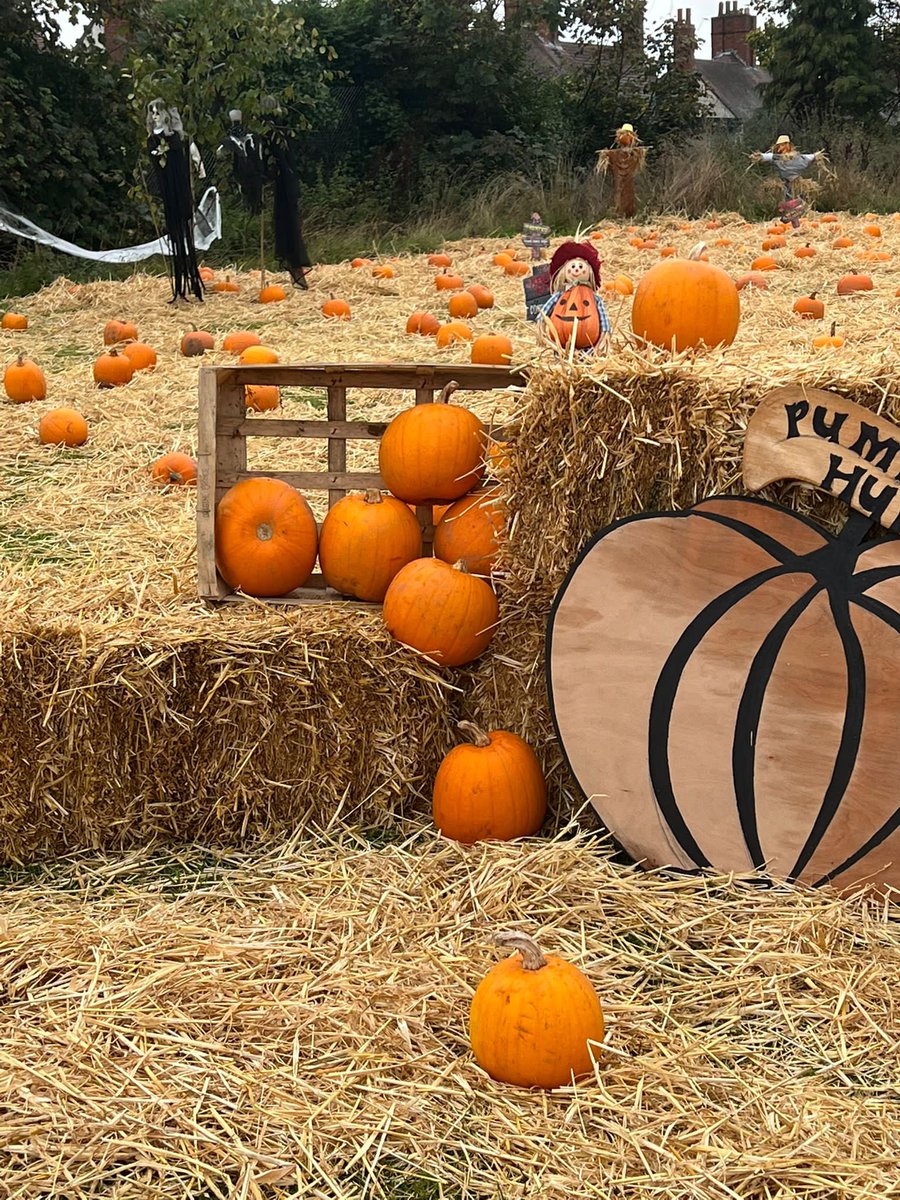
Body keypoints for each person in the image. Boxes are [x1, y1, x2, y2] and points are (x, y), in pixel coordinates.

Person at [146, 98, 205, 302]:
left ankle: (193, 280)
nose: (154, 116)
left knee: (185, 232)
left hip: (180, 190)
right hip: (168, 193)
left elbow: (193, 156)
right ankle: (180, 285)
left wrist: (198, 170)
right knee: (175, 235)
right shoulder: (152, 140)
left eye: (158, 112)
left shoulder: (178, 139)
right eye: (152, 112)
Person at [539, 241, 611, 353]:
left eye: (581, 266)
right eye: (573, 266)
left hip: (587, 344)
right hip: (561, 344)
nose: (576, 269)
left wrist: (605, 332)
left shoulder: (593, 298)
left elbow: (603, 317)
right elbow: (545, 311)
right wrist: (541, 322)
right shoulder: (560, 295)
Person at [749, 135, 827, 228]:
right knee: (791, 207)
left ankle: (791, 208)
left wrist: (816, 156)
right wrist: (759, 156)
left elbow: (808, 157)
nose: (780, 148)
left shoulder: (798, 157)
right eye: (779, 146)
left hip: (797, 184)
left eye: (782, 145)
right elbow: (768, 156)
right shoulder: (778, 158)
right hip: (786, 184)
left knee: (791, 205)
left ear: (787, 145)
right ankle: (796, 227)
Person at [595, 123, 647, 219]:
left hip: (629, 177)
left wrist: (639, 152)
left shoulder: (634, 153)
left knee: (629, 192)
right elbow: (610, 158)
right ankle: (619, 213)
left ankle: (628, 214)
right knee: (619, 191)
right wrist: (606, 154)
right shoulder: (616, 154)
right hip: (618, 177)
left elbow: (637, 158)